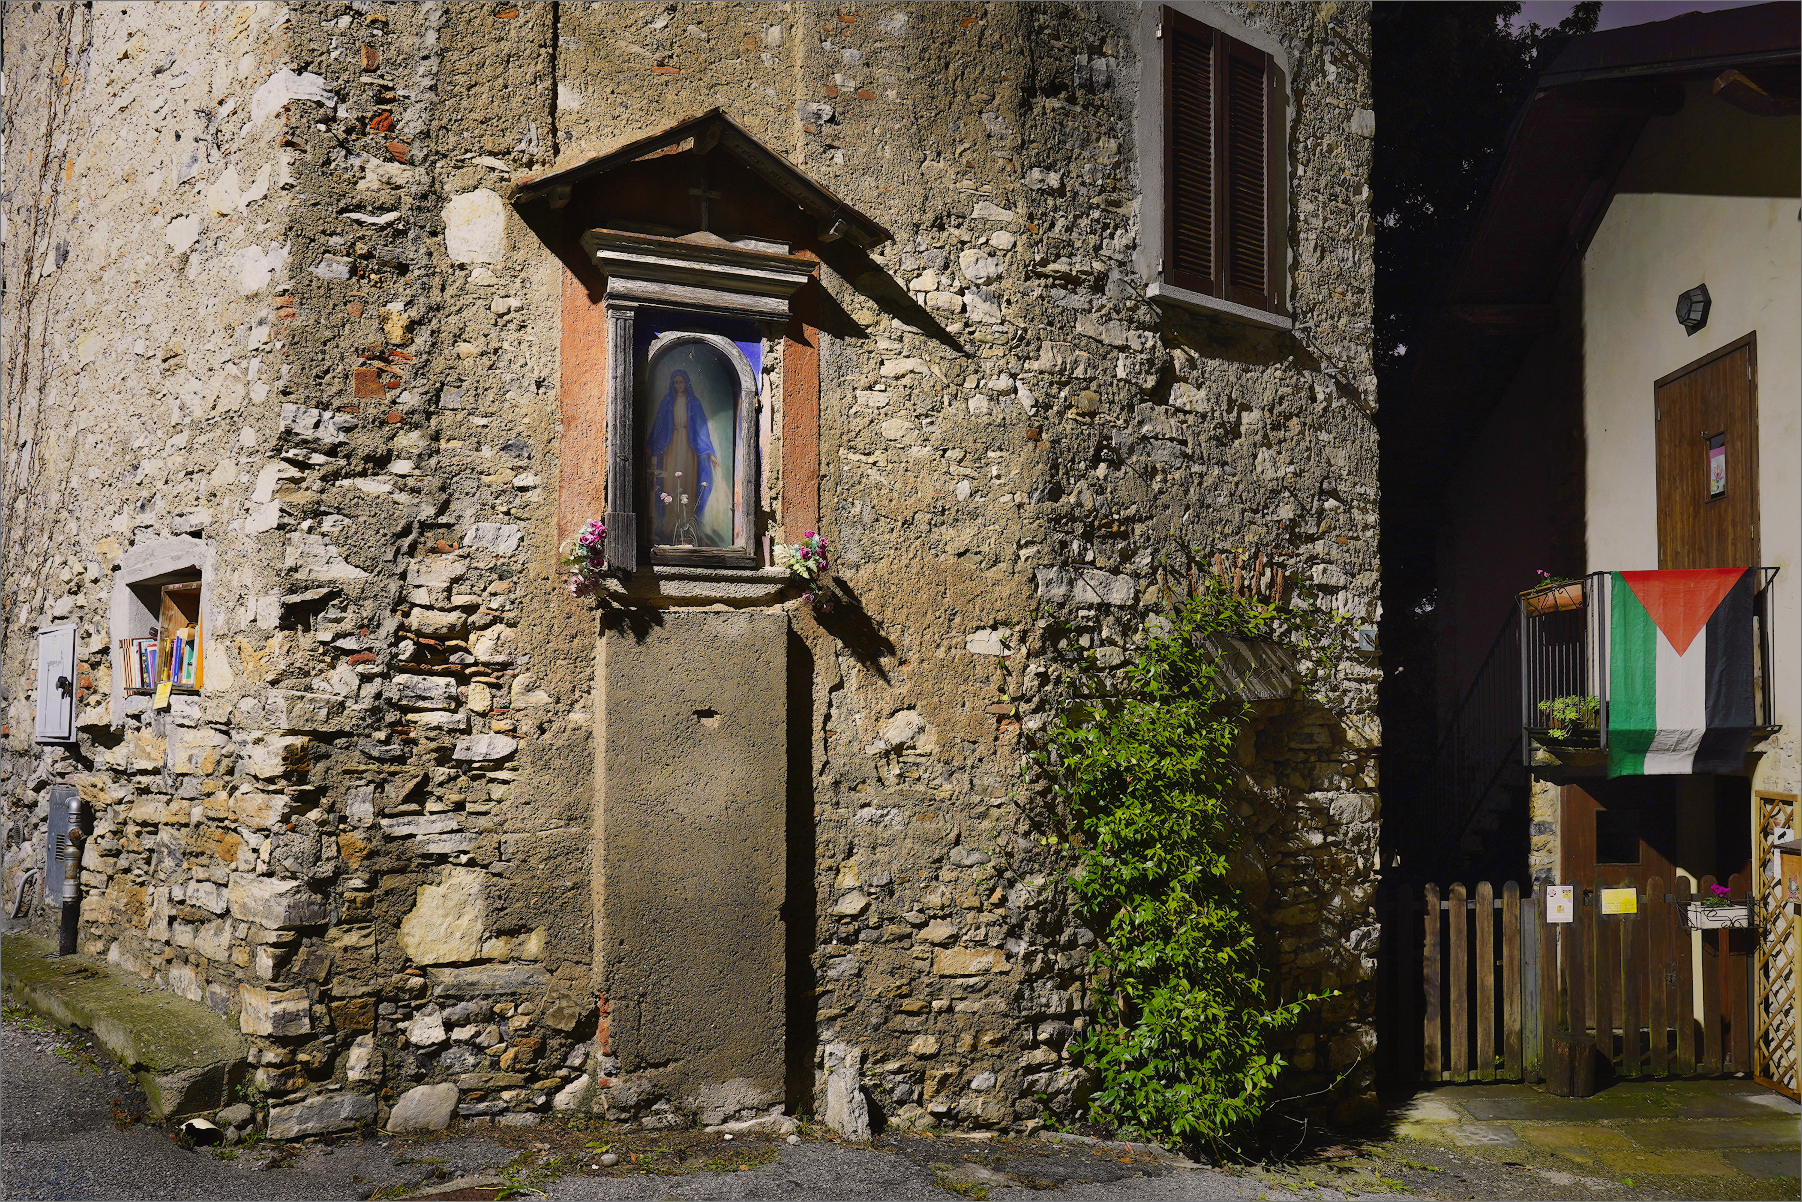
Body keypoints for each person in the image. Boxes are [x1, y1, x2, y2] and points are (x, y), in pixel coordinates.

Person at [647, 368, 720, 545]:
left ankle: (688, 528)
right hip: (671, 448)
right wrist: (651, 447)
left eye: (680, 382)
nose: (678, 386)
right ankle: (669, 527)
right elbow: (659, 426)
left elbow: (702, 429)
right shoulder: (667, 402)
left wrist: (709, 451)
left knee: (688, 484)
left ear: (686, 382)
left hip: (689, 449)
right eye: (675, 382)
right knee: (671, 483)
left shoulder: (694, 403)